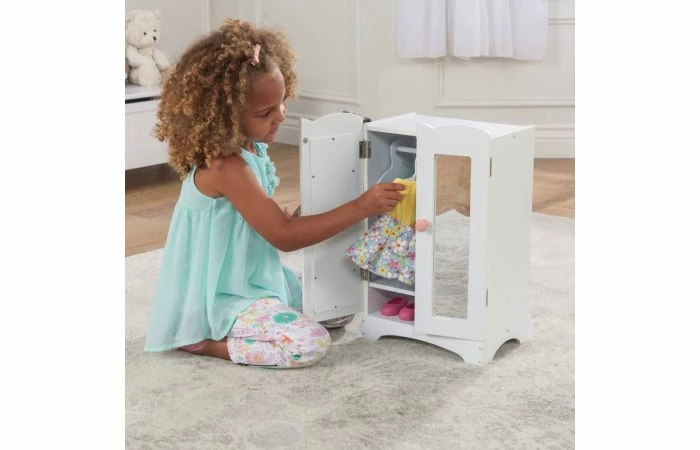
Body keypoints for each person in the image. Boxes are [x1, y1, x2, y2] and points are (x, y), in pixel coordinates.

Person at [143, 19, 405, 369]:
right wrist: (361, 206)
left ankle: (261, 316)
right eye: (265, 113)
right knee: (309, 343)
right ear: (225, 117)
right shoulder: (225, 166)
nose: (280, 116)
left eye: (281, 103)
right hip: (219, 296)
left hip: (253, 278)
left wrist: (296, 215)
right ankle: (202, 341)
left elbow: (257, 222)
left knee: (338, 307)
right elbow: (283, 237)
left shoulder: (251, 150)